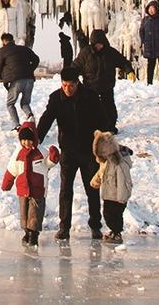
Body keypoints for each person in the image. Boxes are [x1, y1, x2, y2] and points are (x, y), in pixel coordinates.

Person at [35, 67, 104, 241]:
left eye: (71, 86)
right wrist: (37, 139)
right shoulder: (56, 98)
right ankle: (64, 227)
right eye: (64, 85)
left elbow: (102, 120)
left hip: (88, 152)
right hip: (68, 151)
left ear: (77, 83)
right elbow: (47, 119)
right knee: (65, 190)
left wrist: (103, 141)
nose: (67, 89)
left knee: (92, 189)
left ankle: (95, 226)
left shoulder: (90, 96)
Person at [74, 29, 135, 132]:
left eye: (100, 44)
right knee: (90, 109)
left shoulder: (110, 52)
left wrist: (129, 71)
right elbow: (75, 66)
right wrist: (71, 77)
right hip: (90, 87)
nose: (98, 46)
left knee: (109, 109)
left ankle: (110, 127)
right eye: (96, 44)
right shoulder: (86, 53)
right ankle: (90, 129)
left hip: (107, 86)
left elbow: (123, 62)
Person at [0, 122, 49, 246]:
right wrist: (7, 183)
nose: (26, 143)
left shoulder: (41, 152)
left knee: (35, 213)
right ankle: (27, 232)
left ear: (35, 139)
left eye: (29, 140)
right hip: (23, 189)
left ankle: (33, 235)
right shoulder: (18, 153)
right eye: (24, 140)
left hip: (38, 189)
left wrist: (54, 157)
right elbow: (12, 169)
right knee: (24, 213)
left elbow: (49, 163)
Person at [90, 130, 135, 243]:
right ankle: (113, 231)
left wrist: (122, 198)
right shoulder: (106, 161)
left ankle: (117, 233)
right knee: (107, 215)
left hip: (118, 197)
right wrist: (96, 181)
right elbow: (101, 172)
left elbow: (123, 181)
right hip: (108, 195)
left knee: (115, 216)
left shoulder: (119, 163)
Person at [0, 32, 40, 128]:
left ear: (3, 41)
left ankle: (17, 126)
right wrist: (30, 69)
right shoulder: (24, 49)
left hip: (16, 80)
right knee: (25, 103)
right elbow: (36, 59)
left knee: (10, 104)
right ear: (13, 40)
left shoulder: (2, 51)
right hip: (29, 80)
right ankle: (30, 115)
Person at [139, 1, 159, 85]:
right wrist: (143, 40)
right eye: (150, 9)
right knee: (150, 65)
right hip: (150, 46)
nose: (151, 10)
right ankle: (149, 82)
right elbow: (141, 31)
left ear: (157, 9)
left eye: (153, 8)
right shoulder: (145, 20)